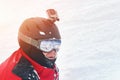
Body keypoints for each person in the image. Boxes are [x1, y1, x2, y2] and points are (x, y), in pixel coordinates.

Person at [0, 9, 61, 80]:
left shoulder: (40, 62)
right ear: (29, 45)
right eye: (46, 46)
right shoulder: (16, 76)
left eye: (56, 45)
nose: (53, 52)